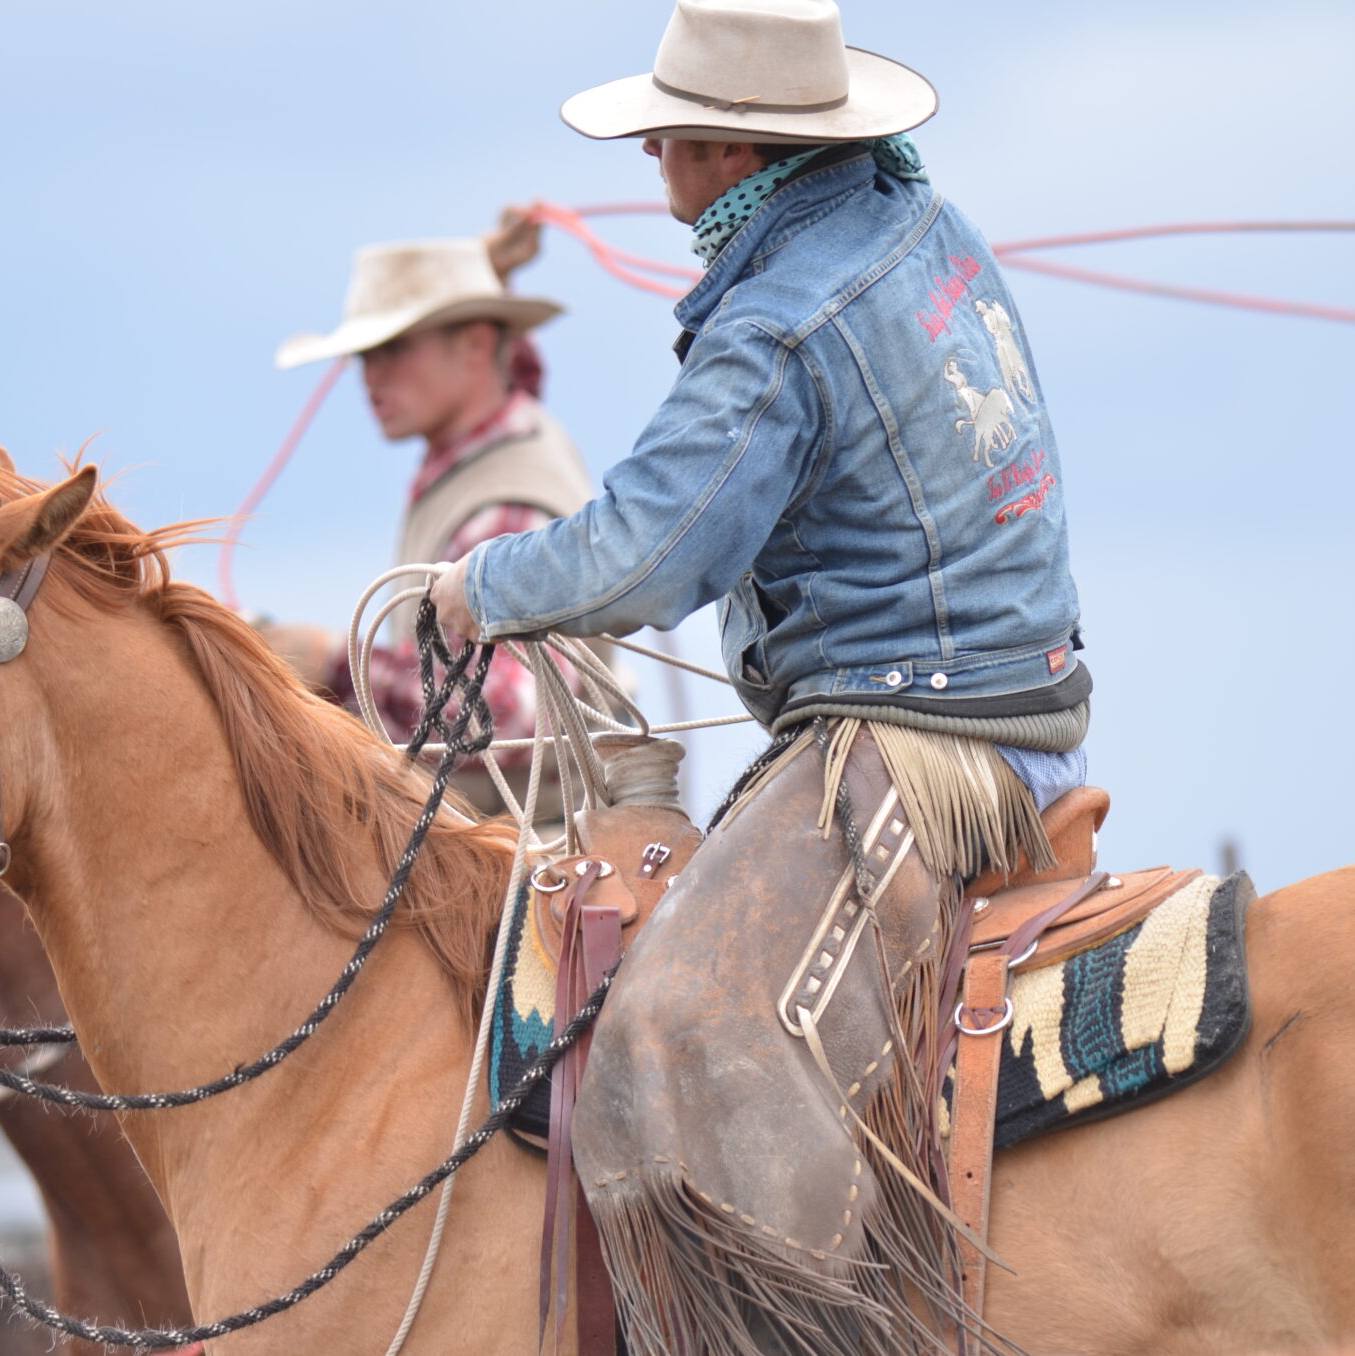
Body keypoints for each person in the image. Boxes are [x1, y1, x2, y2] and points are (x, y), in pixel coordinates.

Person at [428, 1, 1087, 1350]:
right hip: (1008, 696)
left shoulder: (779, 320)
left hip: (919, 736)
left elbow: (646, 554)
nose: (653, 154)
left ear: (735, 154)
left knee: (678, 1032)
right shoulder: (918, 221)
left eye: (670, 134)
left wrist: (478, 592)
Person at [273, 226, 597, 821]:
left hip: (525, 850)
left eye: (394, 347)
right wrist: (492, 278)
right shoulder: (496, 434)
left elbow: (504, 716)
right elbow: (512, 369)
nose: (371, 376)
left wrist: (334, 665)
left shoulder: (507, 502)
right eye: (365, 355)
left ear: (477, 344)